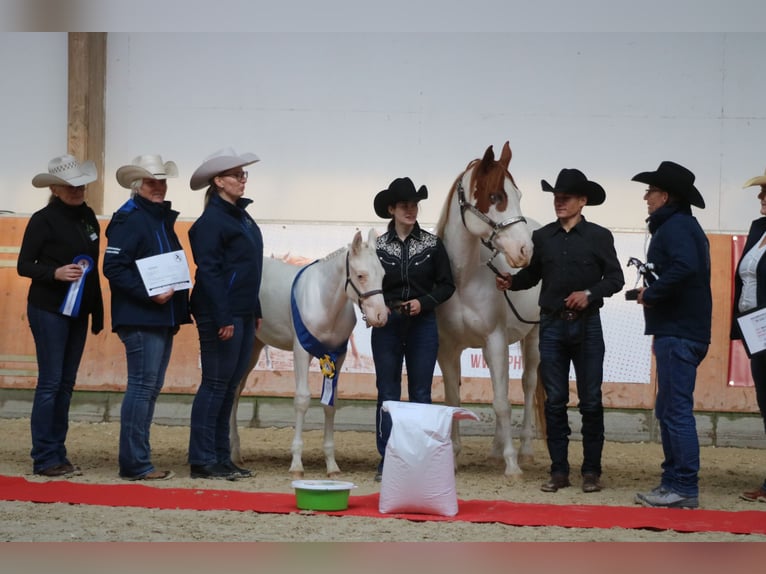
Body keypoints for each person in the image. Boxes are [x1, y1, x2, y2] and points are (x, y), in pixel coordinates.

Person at [495, 168, 624, 494]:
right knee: (554, 401)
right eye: (556, 197)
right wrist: (512, 282)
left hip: (587, 325)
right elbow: (533, 276)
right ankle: (559, 471)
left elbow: (615, 279)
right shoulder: (543, 238)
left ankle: (591, 471)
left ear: (583, 201)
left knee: (591, 401)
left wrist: (589, 294)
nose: (559, 202)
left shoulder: (599, 236)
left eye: (565, 198)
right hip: (551, 324)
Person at [103, 154, 190, 481]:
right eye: (152, 181)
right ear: (137, 185)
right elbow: (112, 267)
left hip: (159, 316)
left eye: (162, 181)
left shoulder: (154, 217)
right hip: (142, 316)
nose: (159, 187)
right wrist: (148, 292)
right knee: (142, 388)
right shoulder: (131, 219)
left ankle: (138, 459)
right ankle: (135, 463)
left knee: (148, 388)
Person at [630, 161, 711, 509]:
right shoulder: (681, 225)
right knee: (669, 408)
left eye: (650, 192)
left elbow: (683, 268)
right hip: (678, 329)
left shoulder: (676, 227)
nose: (646, 197)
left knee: (675, 410)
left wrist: (653, 293)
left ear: (665, 195)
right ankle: (672, 482)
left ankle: (683, 487)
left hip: (679, 331)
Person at [18, 154, 104, 477]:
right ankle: (44, 455)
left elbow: (92, 270)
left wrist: (96, 312)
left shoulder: (88, 218)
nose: (77, 189)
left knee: (66, 384)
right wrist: (54, 273)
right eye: (70, 185)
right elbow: (24, 264)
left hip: (78, 310)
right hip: (48, 308)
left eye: (80, 184)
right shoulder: (42, 219)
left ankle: (58, 450)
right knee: (51, 382)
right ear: (55, 188)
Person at [371, 177, 455, 481]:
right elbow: (365, 286)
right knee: (388, 392)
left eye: (414, 204)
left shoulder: (433, 244)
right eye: (404, 205)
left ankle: (420, 459)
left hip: (423, 324)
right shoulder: (376, 246)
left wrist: (424, 303)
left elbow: (447, 285)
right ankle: (388, 458)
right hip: (387, 325)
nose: (411, 210)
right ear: (392, 209)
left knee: (421, 392)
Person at [187, 148, 263, 480]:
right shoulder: (211, 222)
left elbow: (249, 269)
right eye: (236, 175)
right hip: (221, 312)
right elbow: (211, 273)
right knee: (216, 384)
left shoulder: (240, 217)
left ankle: (221, 456)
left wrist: (254, 308)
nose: (242, 180)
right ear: (219, 181)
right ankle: (203, 458)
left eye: (244, 175)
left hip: (243, 311)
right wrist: (223, 317)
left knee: (228, 385)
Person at [731, 167, 766, 503]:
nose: (760, 197)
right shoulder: (758, 229)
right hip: (757, 332)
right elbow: (744, 279)